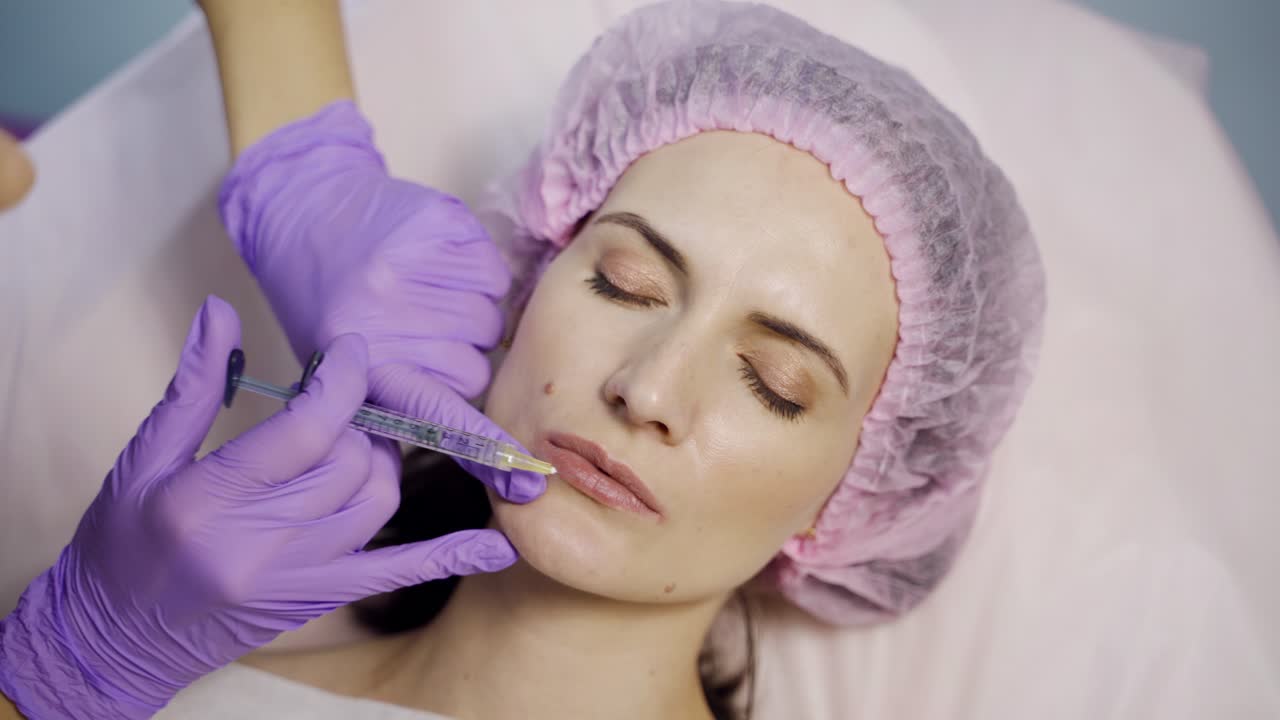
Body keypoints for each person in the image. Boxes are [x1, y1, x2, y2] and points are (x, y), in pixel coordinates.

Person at [0, 1, 1047, 718]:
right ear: (522, 286)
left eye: (772, 385)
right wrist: (67, 674)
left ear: (854, 505)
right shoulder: (134, 681)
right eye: (622, 284)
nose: (646, 387)